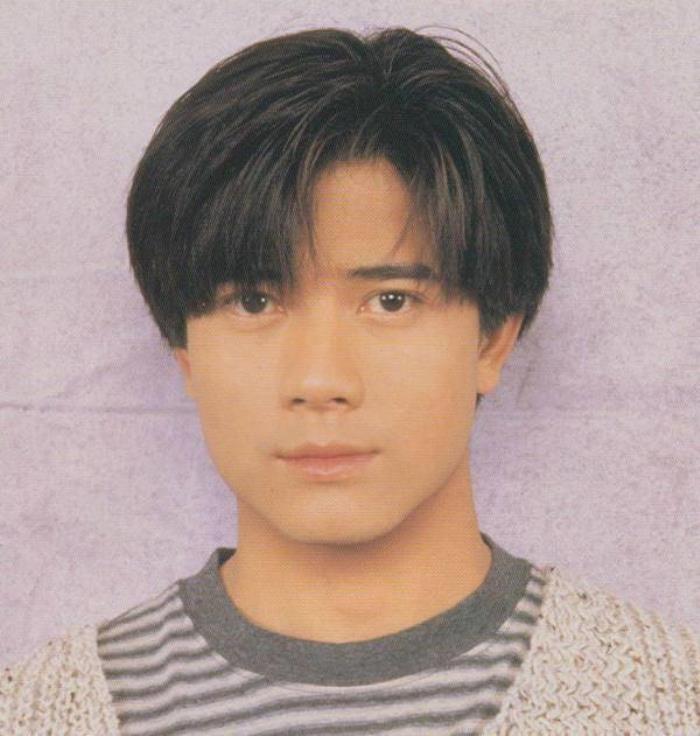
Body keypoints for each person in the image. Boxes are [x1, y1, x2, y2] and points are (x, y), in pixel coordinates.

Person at [2, 26, 697, 735]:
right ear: (185, 353)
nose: (319, 379)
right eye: (254, 301)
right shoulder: (36, 714)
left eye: (391, 301)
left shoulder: (669, 701)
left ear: (492, 338)